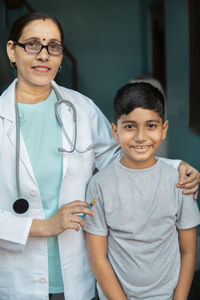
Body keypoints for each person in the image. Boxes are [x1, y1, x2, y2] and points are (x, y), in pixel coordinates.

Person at [0, 11, 199, 300]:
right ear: (11, 51)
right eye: (32, 44)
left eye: (53, 46)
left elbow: (123, 156)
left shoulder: (81, 108)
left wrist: (175, 167)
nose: (44, 55)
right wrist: (45, 226)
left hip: (77, 275)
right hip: (18, 276)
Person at [84, 82, 200, 300]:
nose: (140, 136)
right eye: (129, 126)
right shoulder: (99, 185)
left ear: (164, 129)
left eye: (151, 126)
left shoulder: (180, 182)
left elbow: (189, 251)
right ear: (114, 131)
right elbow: (98, 258)